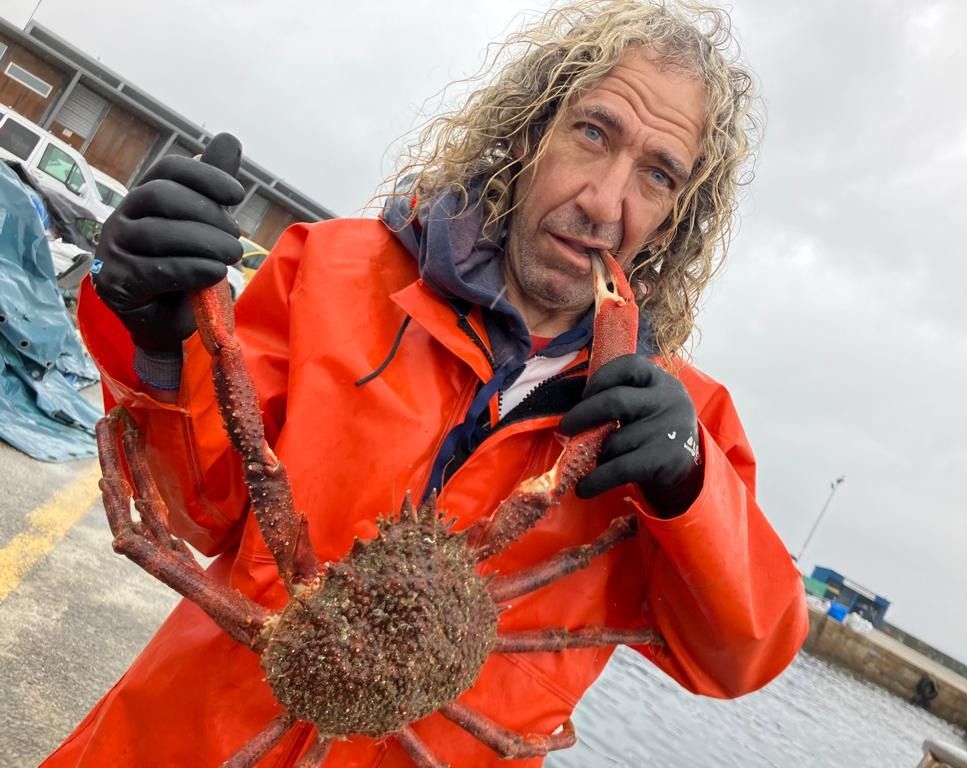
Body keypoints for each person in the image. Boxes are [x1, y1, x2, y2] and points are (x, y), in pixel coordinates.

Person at [44, 1, 808, 765]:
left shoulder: (682, 423)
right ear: (527, 131)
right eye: (593, 132)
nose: (606, 201)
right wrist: (157, 336)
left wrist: (690, 490)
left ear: (674, 220)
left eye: (658, 175)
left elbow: (741, 654)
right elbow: (199, 513)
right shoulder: (336, 271)